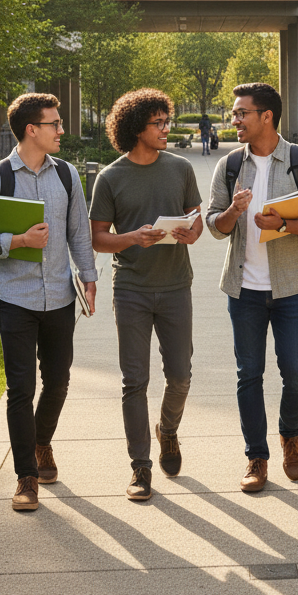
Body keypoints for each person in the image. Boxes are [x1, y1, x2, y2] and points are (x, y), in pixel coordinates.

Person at [0, 92, 97, 512]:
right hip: (15, 298)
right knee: (20, 389)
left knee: (57, 381)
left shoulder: (66, 175)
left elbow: (79, 232)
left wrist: (89, 277)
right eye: (54, 123)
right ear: (30, 130)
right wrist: (17, 241)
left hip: (59, 295)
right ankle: (26, 476)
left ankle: (42, 443)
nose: (61, 130)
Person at [206, 83, 298, 494]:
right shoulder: (228, 166)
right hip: (244, 290)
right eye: (235, 113)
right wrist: (232, 211)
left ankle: (289, 434)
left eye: (242, 113)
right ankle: (256, 457)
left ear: (266, 117)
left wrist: (283, 225)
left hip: (292, 285)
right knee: (249, 375)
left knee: (296, 373)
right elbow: (214, 227)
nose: (235, 120)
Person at [89, 89, 202, 502]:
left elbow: (196, 221)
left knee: (181, 375)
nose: (166, 129)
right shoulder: (111, 177)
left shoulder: (181, 168)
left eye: (166, 121)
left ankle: (167, 431)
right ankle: (140, 467)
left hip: (175, 287)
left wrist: (193, 231)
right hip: (132, 289)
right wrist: (131, 238)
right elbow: (98, 238)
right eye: (159, 123)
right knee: (134, 381)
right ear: (137, 128)